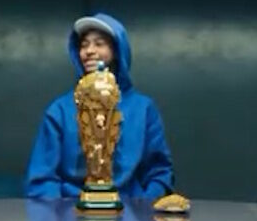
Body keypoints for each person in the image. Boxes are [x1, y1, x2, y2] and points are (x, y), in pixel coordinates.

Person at [24, 13, 173, 199]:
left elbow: (159, 172)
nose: (89, 51)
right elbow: (42, 179)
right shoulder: (59, 110)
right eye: (84, 45)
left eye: (99, 44)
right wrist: (63, 209)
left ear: (117, 50)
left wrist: (142, 206)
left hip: (130, 210)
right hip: (71, 209)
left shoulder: (143, 109)